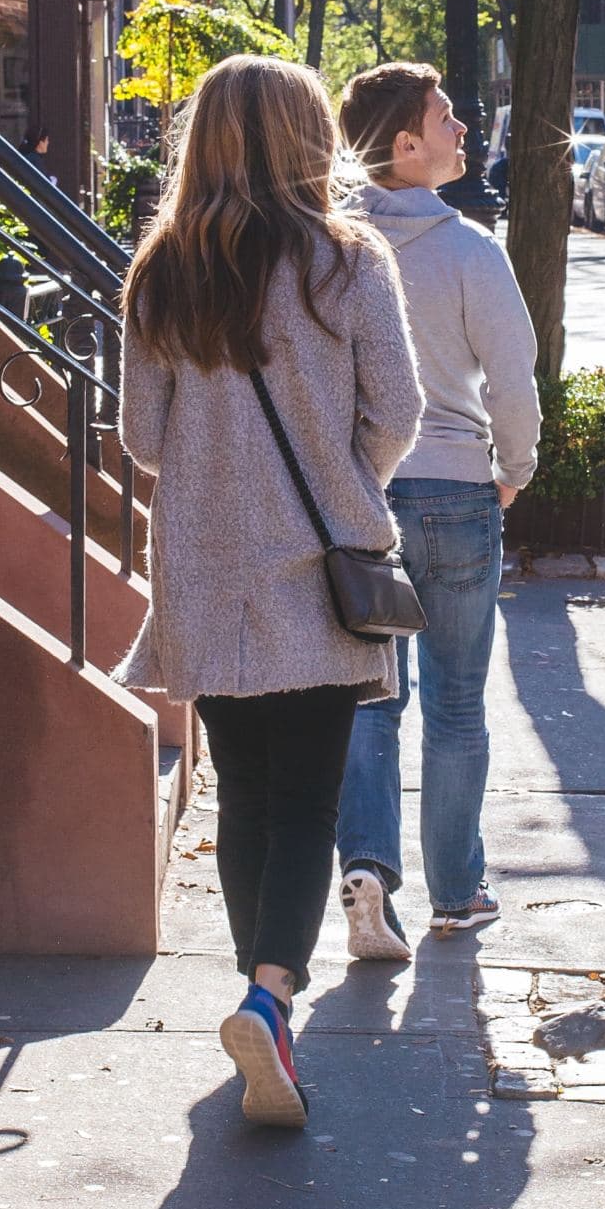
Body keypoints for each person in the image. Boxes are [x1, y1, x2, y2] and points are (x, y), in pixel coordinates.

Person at [119, 57, 424, 1127]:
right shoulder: (345, 260)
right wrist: (343, 478)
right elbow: (397, 408)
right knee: (309, 800)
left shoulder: (162, 270)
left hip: (202, 565)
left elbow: (140, 439)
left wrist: (218, 466)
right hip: (316, 560)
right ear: (309, 138)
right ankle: (270, 996)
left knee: (244, 794)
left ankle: (261, 996)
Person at [333, 63, 542, 948]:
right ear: (406, 144)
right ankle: (457, 891)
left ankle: (367, 872)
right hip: (459, 490)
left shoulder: (330, 249)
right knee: (457, 705)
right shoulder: (469, 250)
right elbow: (515, 381)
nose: (463, 129)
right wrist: (514, 470)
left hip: (362, 494)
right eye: (446, 117)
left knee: (371, 699)